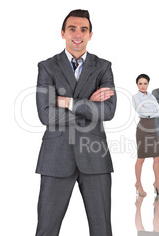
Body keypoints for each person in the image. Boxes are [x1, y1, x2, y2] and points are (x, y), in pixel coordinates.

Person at [35, 9, 116, 236]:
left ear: (91, 34)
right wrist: (88, 105)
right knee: (46, 230)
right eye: (72, 29)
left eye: (83, 29)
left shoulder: (103, 67)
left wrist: (69, 102)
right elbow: (46, 115)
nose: (77, 34)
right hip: (56, 156)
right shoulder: (47, 67)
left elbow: (108, 111)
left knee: (102, 230)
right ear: (63, 33)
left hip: (95, 156)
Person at [132, 74, 159, 196]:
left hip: (153, 128)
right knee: (141, 158)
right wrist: (151, 111)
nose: (142, 86)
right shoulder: (135, 97)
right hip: (143, 128)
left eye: (145, 83)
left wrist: (149, 111)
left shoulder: (151, 96)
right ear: (137, 85)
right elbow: (141, 111)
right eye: (140, 83)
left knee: (157, 157)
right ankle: (138, 184)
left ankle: (157, 183)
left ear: (148, 84)